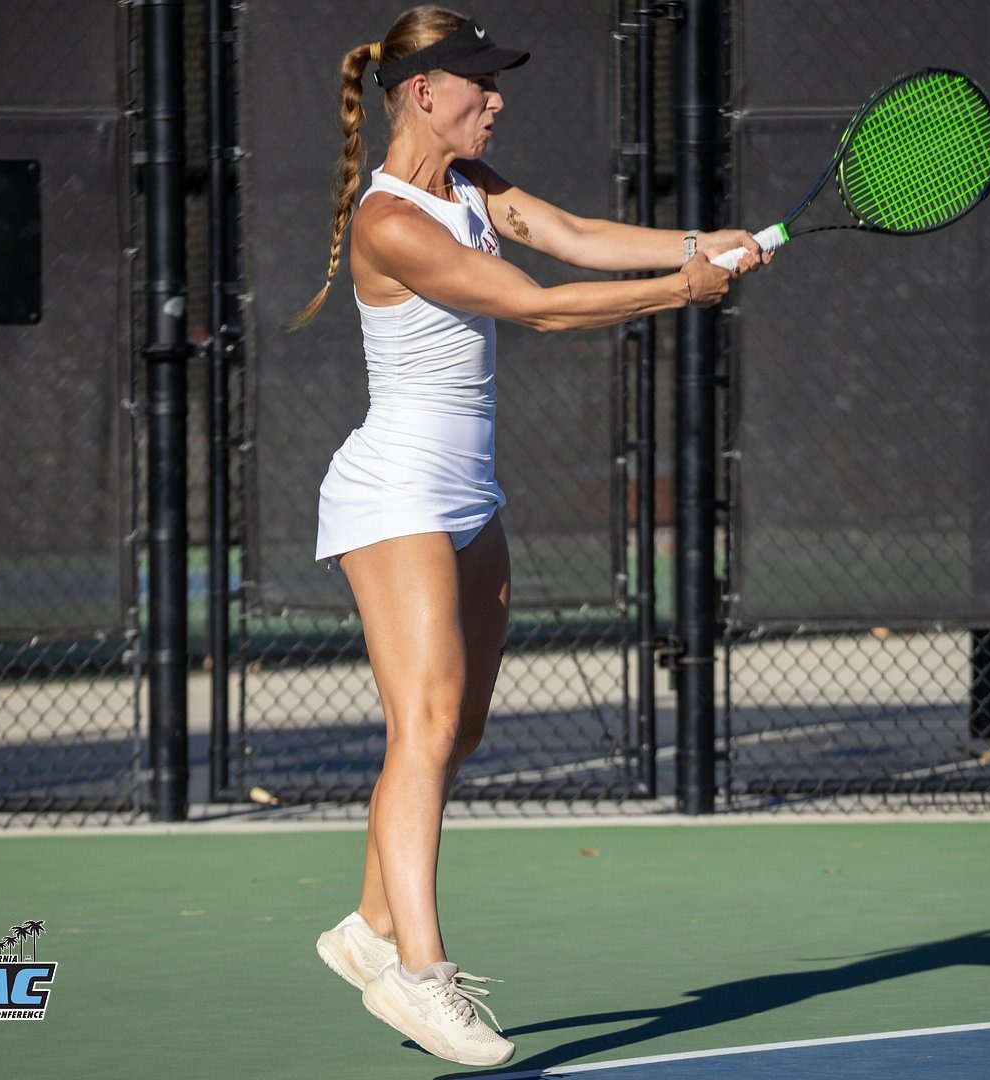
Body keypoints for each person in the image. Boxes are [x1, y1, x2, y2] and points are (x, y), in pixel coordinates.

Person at [290, 6, 767, 1067]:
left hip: (468, 494)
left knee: (456, 732)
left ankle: (366, 928)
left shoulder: (469, 184)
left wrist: (702, 243)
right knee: (425, 722)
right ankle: (420, 976)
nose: (497, 99)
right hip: (397, 494)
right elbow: (538, 306)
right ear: (424, 93)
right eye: (480, 82)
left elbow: (570, 236)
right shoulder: (390, 222)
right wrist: (681, 290)